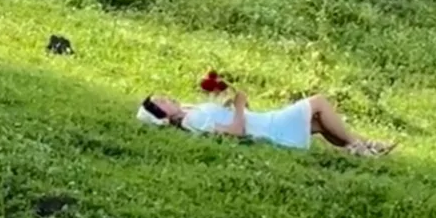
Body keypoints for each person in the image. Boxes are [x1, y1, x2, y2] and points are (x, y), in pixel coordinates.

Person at [137, 90, 394, 156]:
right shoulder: (191, 119)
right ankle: (358, 146)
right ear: (163, 116)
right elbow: (236, 132)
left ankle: (362, 146)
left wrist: (234, 106)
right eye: (162, 102)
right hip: (269, 127)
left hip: (264, 121)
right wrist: (239, 106)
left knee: (318, 122)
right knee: (317, 103)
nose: (166, 98)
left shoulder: (189, 111)